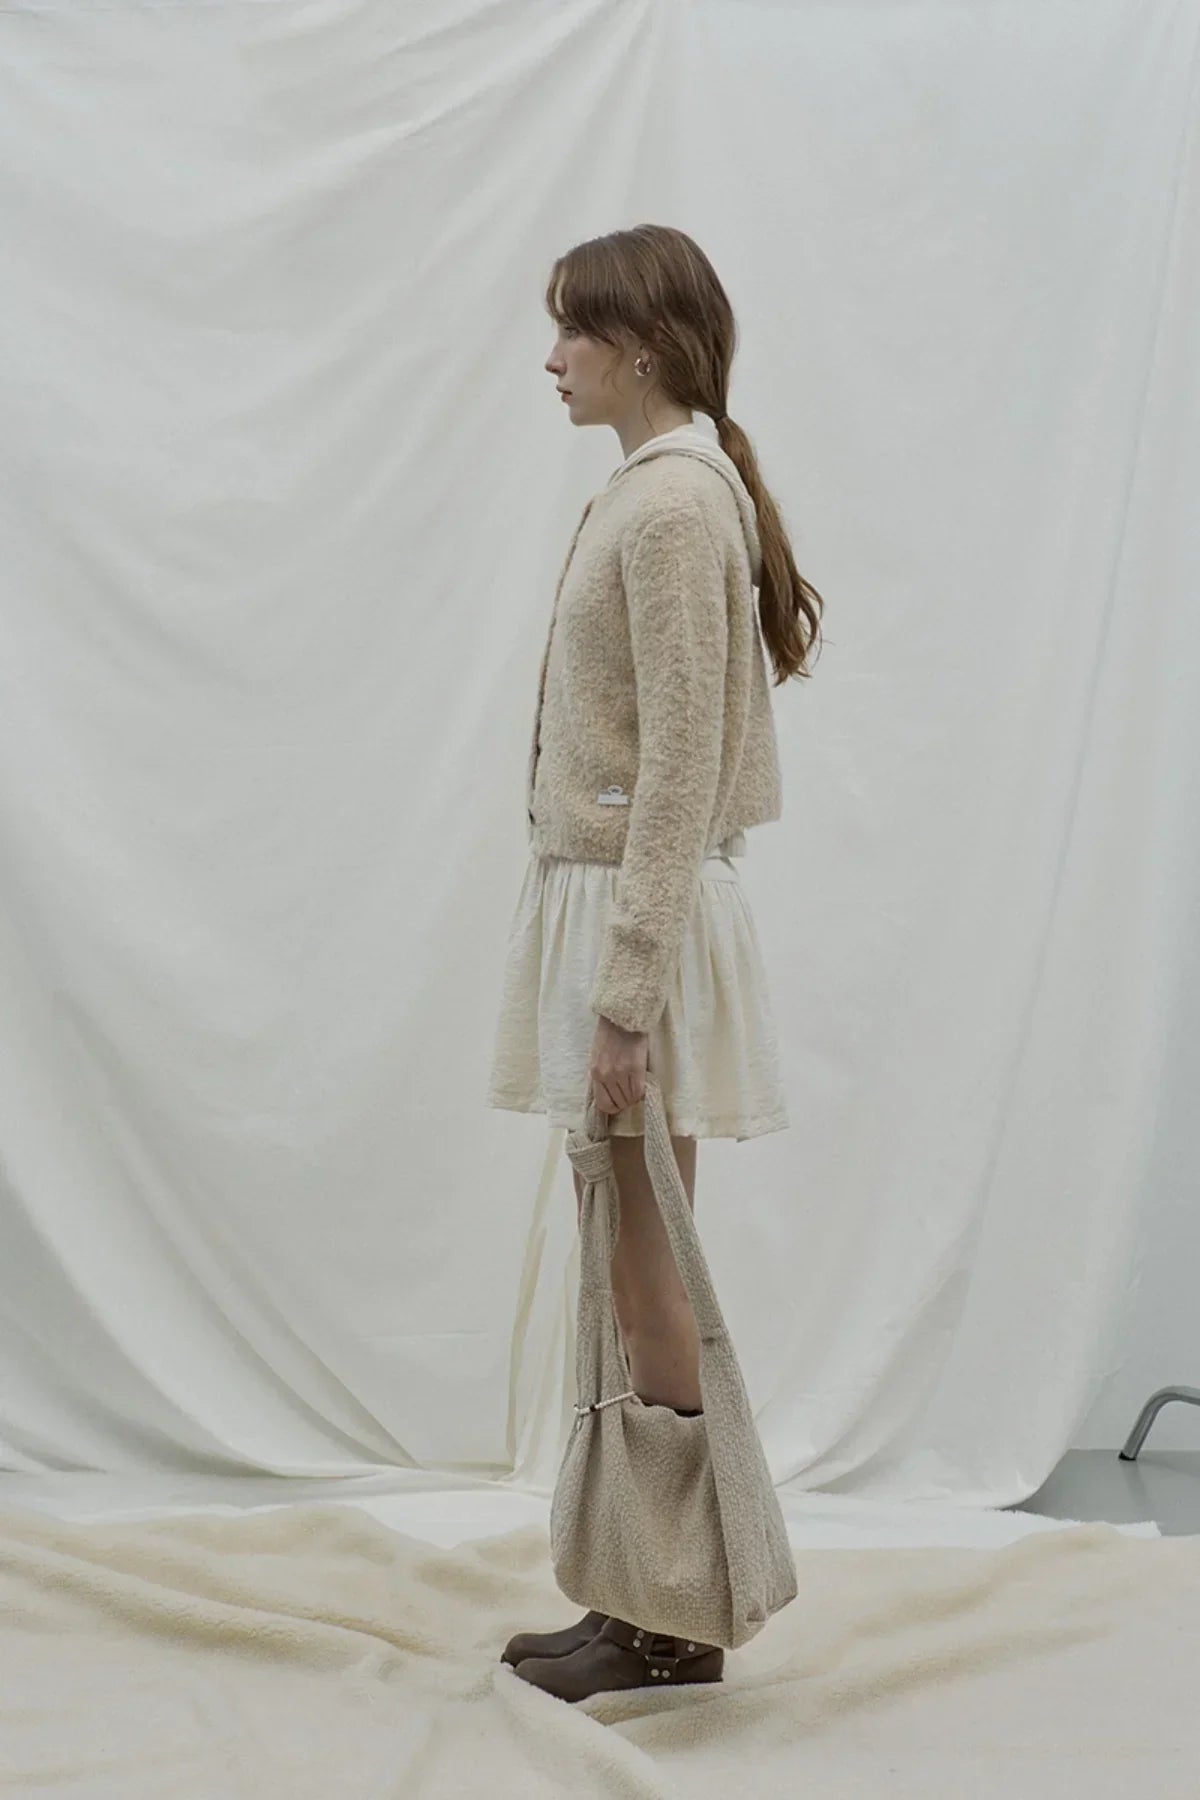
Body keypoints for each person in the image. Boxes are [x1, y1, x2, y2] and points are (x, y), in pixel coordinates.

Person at [486, 224, 824, 1701]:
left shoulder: (676, 506)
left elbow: (682, 762)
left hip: (648, 922)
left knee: (646, 1272)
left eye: (573, 330)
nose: (552, 357)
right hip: (623, 909)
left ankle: (674, 1618)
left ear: (641, 343)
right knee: (624, 1267)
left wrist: (628, 992)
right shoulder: (658, 493)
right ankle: (639, 1586)